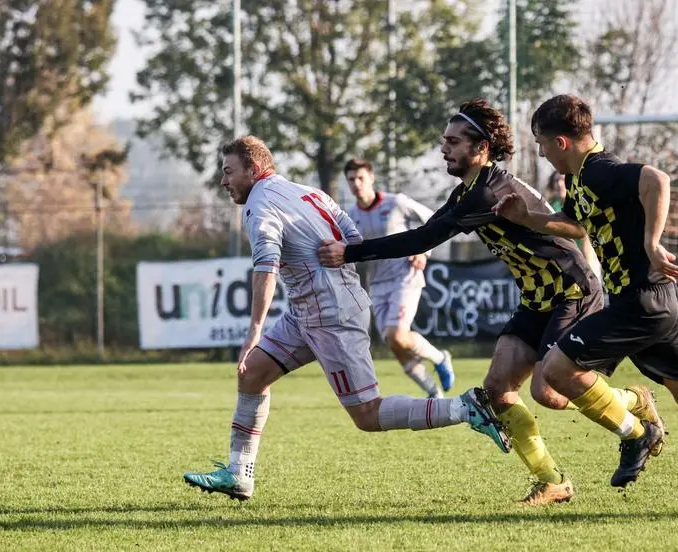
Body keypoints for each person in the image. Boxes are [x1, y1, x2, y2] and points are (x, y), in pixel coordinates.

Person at [318, 99, 664, 506]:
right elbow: (428, 230)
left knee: (547, 391)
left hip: (570, 288)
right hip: (537, 299)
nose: (444, 149)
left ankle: (635, 411)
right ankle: (552, 481)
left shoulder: (487, 193)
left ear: (480, 147)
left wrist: (349, 252)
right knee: (497, 391)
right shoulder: (467, 190)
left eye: (453, 141)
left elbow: (423, 239)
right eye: (444, 141)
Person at [493, 94, 678, 513]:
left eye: (539, 142)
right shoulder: (580, 179)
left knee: (557, 368)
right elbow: (576, 225)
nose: (539, 151)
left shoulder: (599, 169)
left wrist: (651, 241)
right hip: (654, 303)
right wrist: (526, 218)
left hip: (640, 303)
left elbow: (656, 179)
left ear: (560, 141)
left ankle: (636, 433)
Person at [183, 136, 508, 502]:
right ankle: (239, 474)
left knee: (367, 415)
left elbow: (266, 267)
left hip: (330, 316)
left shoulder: (258, 205)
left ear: (254, 170)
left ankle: (465, 408)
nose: (224, 181)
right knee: (252, 373)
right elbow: (349, 233)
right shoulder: (308, 192)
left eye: (228, 172)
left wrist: (254, 331)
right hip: (309, 310)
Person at [344, 158, 454, 399]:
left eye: (361, 177)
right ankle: (433, 392)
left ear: (371, 177)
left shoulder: (396, 203)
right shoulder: (351, 216)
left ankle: (439, 357)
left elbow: (434, 220)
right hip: (378, 284)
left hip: (405, 277)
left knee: (397, 335)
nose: (356, 184)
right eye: (351, 179)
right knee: (395, 344)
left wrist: (424, 251)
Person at [547, 172, 602, 281]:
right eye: (556, 181)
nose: (559, 184)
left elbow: (586, 237)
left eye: (563, 180)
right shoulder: (553, 207)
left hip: (586, 257)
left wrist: (587, 265)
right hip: (564, 262)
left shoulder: (581, 203)